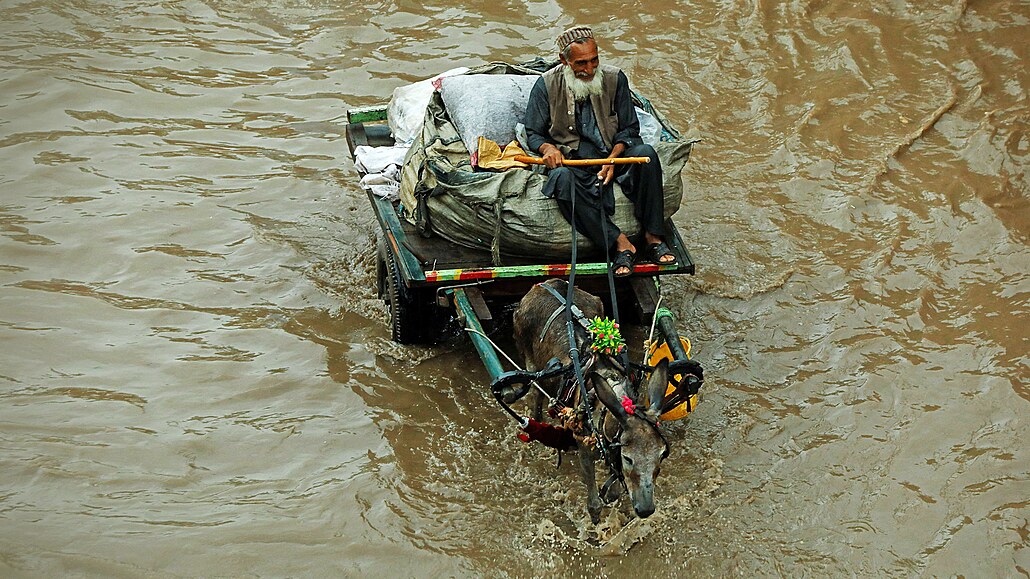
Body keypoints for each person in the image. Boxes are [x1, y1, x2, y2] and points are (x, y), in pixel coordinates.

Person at [524, 25, 676, 277]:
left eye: (594, 60)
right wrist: (548, 147)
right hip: (574, 162)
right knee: (560, 180)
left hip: (613, 155)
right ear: (564, 61)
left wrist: (613, 160)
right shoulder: (546, 85)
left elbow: (629, 129)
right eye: (581, 63)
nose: (590, 70)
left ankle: (654, 238)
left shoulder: (615, 78)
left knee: (647, 154)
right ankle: (620, 242)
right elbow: (533, 133)